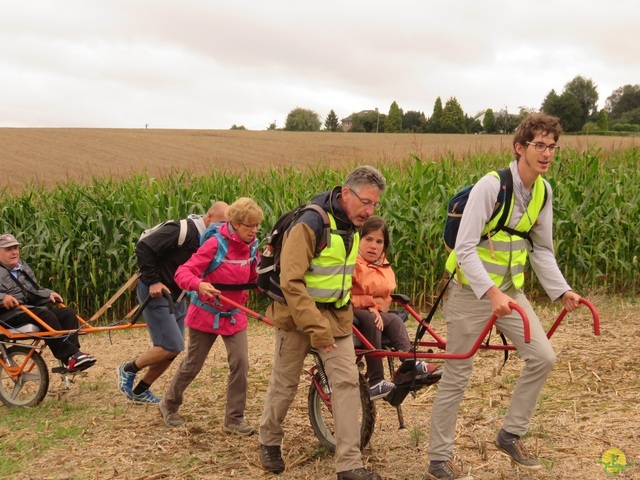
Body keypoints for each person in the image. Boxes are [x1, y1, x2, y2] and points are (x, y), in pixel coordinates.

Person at [425, 113, 582, 480]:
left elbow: (541, 249)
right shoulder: (491, 186)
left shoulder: (543, 191)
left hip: (510, 292)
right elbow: (464, 248)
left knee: (543, 357)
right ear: (519, 148)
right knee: (458, 374)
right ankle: (437, 459)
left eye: (551, 147)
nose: (546, 153)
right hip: (470, 293)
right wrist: (490, 292)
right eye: (539, 145)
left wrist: (561, 291)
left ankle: (509, 434)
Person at [258, 166, 385, 480]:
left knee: (346, 384)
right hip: (296, 316)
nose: (369, 211)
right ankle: (269, 439)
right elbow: (291, 282)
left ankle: (349, 465)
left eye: (375, 205)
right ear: (345, 194)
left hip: (336, 316)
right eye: (365, 202)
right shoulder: (310, 225)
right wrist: (316, 328)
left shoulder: (352, 226)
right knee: (285, 384)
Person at [158, 198, 263, 434]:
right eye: (249, 226)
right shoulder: (215, 244)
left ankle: (234, 419)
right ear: (235, 224)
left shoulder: (252, 247)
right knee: (193, 364)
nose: (254, 231)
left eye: (257, 226)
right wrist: (199, 285)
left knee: (241, 363)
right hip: (205, 314)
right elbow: (182, 272)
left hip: (234, 315)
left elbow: (255, 279)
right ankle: (169, 404)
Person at [117, 201, 229, 404]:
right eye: (222, 222)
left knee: (170, 351)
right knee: (172, 345)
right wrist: (154, 281)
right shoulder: (182, 230)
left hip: (177, 296)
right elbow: (144, 247)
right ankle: (127, 369)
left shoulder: (211, 239)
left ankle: (141, 390)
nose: (223, 228)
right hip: (156, 293)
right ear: (210, 217)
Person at [351, 215, 441, 400]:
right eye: (368, 240)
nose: (373, 246)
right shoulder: (352, 264)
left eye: (379, 241)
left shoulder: (384, 266)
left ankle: (410, 362)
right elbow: (345, 294)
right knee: (372, 319)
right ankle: (376, 380)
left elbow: (386, 297)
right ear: (358, 240)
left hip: (375, 311)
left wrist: (377, 305)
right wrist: (370, 305)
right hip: (352, 310)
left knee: (393, 319)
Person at [0, 233, 96, 372]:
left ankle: (73, 357)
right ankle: (70, 355)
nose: (14, 252)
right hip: (8, 316)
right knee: (45, 314)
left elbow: (33, 290)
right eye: (8, 249)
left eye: (15, 248)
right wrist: (3, 298)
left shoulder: (22, 266)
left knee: (68, 313)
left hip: (26, 309)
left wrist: (48, 294)